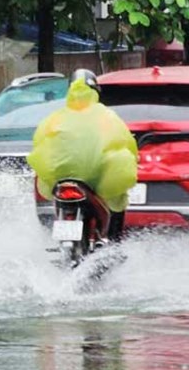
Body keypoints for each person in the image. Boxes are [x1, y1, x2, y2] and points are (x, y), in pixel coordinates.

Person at [28, 69, 138, 245]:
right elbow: (126, 144)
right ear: (95, 91)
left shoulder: (55, 118)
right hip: (94, 180)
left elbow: (39, 143)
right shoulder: (106, 116)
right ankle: (114, 243)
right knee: (117, 196)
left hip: (61, 178)